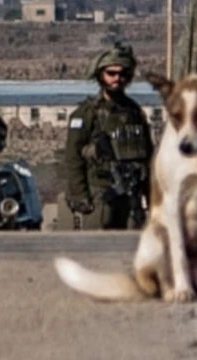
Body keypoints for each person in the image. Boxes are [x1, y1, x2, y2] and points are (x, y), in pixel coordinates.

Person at [58, 42, 154, 230]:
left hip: (131, 195)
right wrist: (80, 196)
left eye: (123, 74)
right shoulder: (87, 113)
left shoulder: (134, 111)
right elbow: (73, 157)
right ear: (100, 75)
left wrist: (150, 195)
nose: (117, 78)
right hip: (100, 192)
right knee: (98, 244)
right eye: (111, 73)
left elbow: (148, 155)